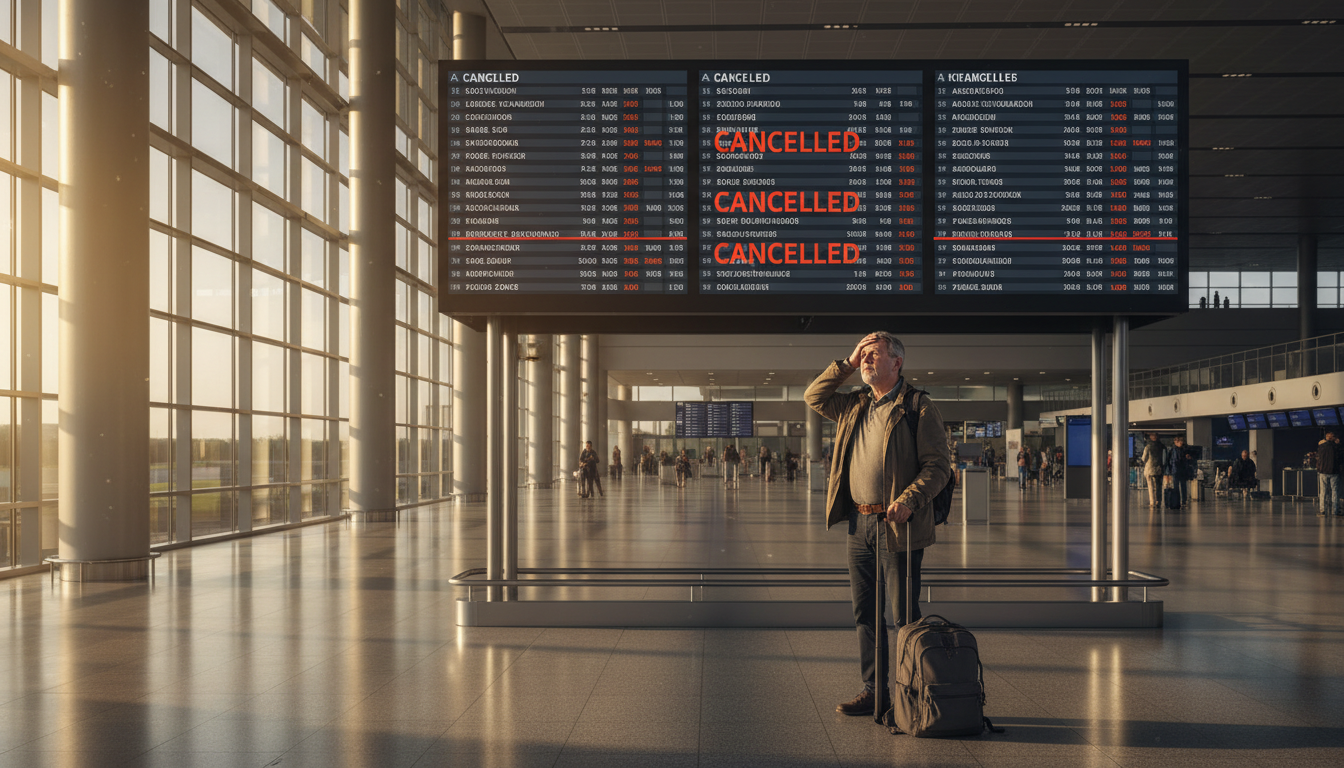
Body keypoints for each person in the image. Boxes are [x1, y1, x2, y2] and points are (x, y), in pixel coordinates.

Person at [804, 331, 951, 718]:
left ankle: (911, 694)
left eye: (874, 355)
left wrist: (909, 500)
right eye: (863, 355)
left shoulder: (917, 406)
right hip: (859, 525)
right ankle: (874, 690)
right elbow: (813, 397)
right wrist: (847, 363)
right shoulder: (854, 405)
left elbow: (938, 466)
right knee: (865, 614)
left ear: (896, 363)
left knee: (904, 617)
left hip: (898, 527)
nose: (866, 360)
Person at [1164, 436, 1195, 508]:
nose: (1180, 443)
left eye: (1181, 441)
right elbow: (1169, 462)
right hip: (1177, 470)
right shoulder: (1173, 450)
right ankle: (1178, 500)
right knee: (1177, 486)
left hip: (1181, 470)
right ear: (1175, 442)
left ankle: (1183, 500)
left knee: (1182, 486)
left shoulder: (1183, 450)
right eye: (1179, 441)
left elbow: (1169, 461)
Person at [1317, 431, 1340, 516]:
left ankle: (1322, 510)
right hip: (1334, 472)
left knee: (1323, 492)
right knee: (1335, 491)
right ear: (1333, 438)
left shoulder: (1321, 447)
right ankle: (1335, 511)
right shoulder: (1337, 447)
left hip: (1323, 471)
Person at [1140, 433, 1167, 508]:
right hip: (1159, 469)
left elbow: (1144, 458)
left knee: (1151, 486)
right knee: (1158, 486)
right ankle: (1159, 501)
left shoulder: (1148, 447)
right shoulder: (1162, 446)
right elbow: (1165, 458)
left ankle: (1152, 502)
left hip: (1149, 469)